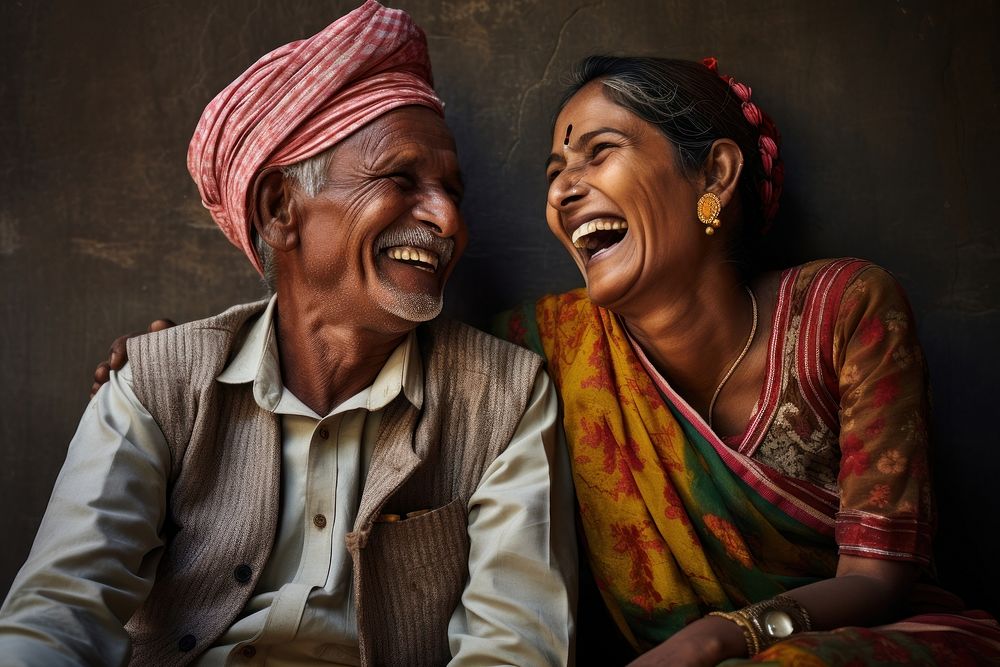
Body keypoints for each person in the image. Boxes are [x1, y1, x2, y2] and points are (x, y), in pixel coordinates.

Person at [0, 3, 576, 666]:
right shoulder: (160, 385)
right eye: (400, 178)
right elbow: (55, 614)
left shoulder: (504, 399)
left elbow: (515, 650)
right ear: (280, 210)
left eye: (452, 189)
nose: (447, 220)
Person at [493, 55, 1000, 665]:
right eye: (556, 171)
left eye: (599, 151)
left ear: (715, 174)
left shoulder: (842, 311)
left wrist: (716, 639)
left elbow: (877, 578)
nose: (562, 191)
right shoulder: (546, 347)